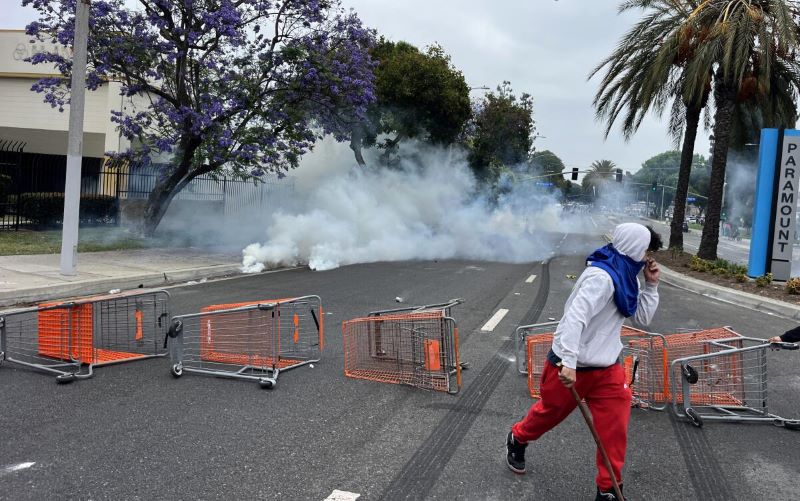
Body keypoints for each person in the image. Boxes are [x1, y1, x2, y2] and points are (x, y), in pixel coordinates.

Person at [506, 223, 663, 501]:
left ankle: (608, 489)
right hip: (570, 367)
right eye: (647, 250)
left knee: (614, 428)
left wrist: (651, 286)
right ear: (634, 247)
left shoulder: (629, 278)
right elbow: (573, 318)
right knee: (549, 414)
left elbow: (642, 319)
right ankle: (518, 437)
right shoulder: (600, 277)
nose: (648, 258)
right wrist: (568, 361)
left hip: (607, 369)